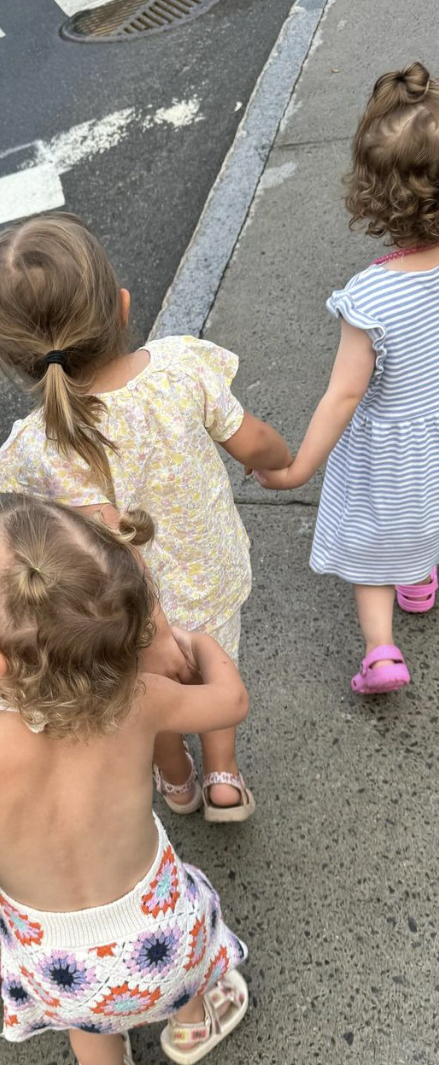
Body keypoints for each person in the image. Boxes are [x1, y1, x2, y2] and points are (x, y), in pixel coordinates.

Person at [0, 497, 250, 1065]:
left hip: (62, 972)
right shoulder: (142, 699)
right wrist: (193, 638)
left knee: (90, 1027)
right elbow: (230, 703)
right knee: (185, 958)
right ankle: (193, 1019)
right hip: (164, 938)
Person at [0, 213, 291, 822]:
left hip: (125, 620)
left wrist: (155, 627)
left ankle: (176, 783)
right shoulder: (180, 368)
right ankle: (224, 776)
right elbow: (255, 443)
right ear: (121, 307)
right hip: (210, 577)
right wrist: (279, 466)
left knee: (151, 699)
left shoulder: (38, 445)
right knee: (214, 673)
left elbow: (58, 537)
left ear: (13, 357)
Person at [255, 62, 439, 693]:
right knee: (428, 513)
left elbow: (345, 394)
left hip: (390, 453)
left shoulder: (371, 297)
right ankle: (421, 580)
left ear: (374, 193)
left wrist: (298, 467)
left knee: (375, 541)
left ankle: (382, 652)